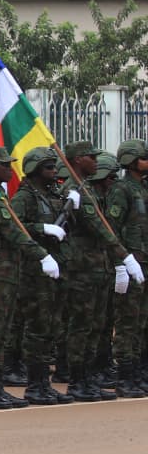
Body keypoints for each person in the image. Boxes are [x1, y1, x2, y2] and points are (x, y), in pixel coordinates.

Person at [0, 146, 62, 409]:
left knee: (2, 331)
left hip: (6, 270)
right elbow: (12, 230)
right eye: (5, 164)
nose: (11, 169)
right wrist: (41, 255)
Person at [60, 141, 143, 401]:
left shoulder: (83, 188)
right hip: (81, 268)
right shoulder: (73, 189)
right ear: (78, 159)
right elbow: (101, 227)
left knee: (94, 326)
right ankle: (77, 381)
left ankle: (88, 379)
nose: (95, 162)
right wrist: (123, 258)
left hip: (97, 266)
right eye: (91, 157)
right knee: (82, 326)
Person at [10, 147, 74, 404]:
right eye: (49, 167)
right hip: (34, 271)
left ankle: (44, 384)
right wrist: (41, 228)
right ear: (35, 170)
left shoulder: (52, 195)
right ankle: (35, 385)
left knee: (51, 327)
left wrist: (72, 206)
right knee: (37, 328)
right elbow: (14, 227)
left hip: (55, 267)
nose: (54, 171)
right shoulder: (24, 197)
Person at [110, 139, 148, 396]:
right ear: (131, 161)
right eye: (143, 157)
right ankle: (125, 377)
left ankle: (138, 372)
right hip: (132, 263)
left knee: (142, 321)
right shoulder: (121, 190)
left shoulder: (142, 188)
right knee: (128, 322)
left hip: (144, 262)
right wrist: (120, 264)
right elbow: (112, 230)